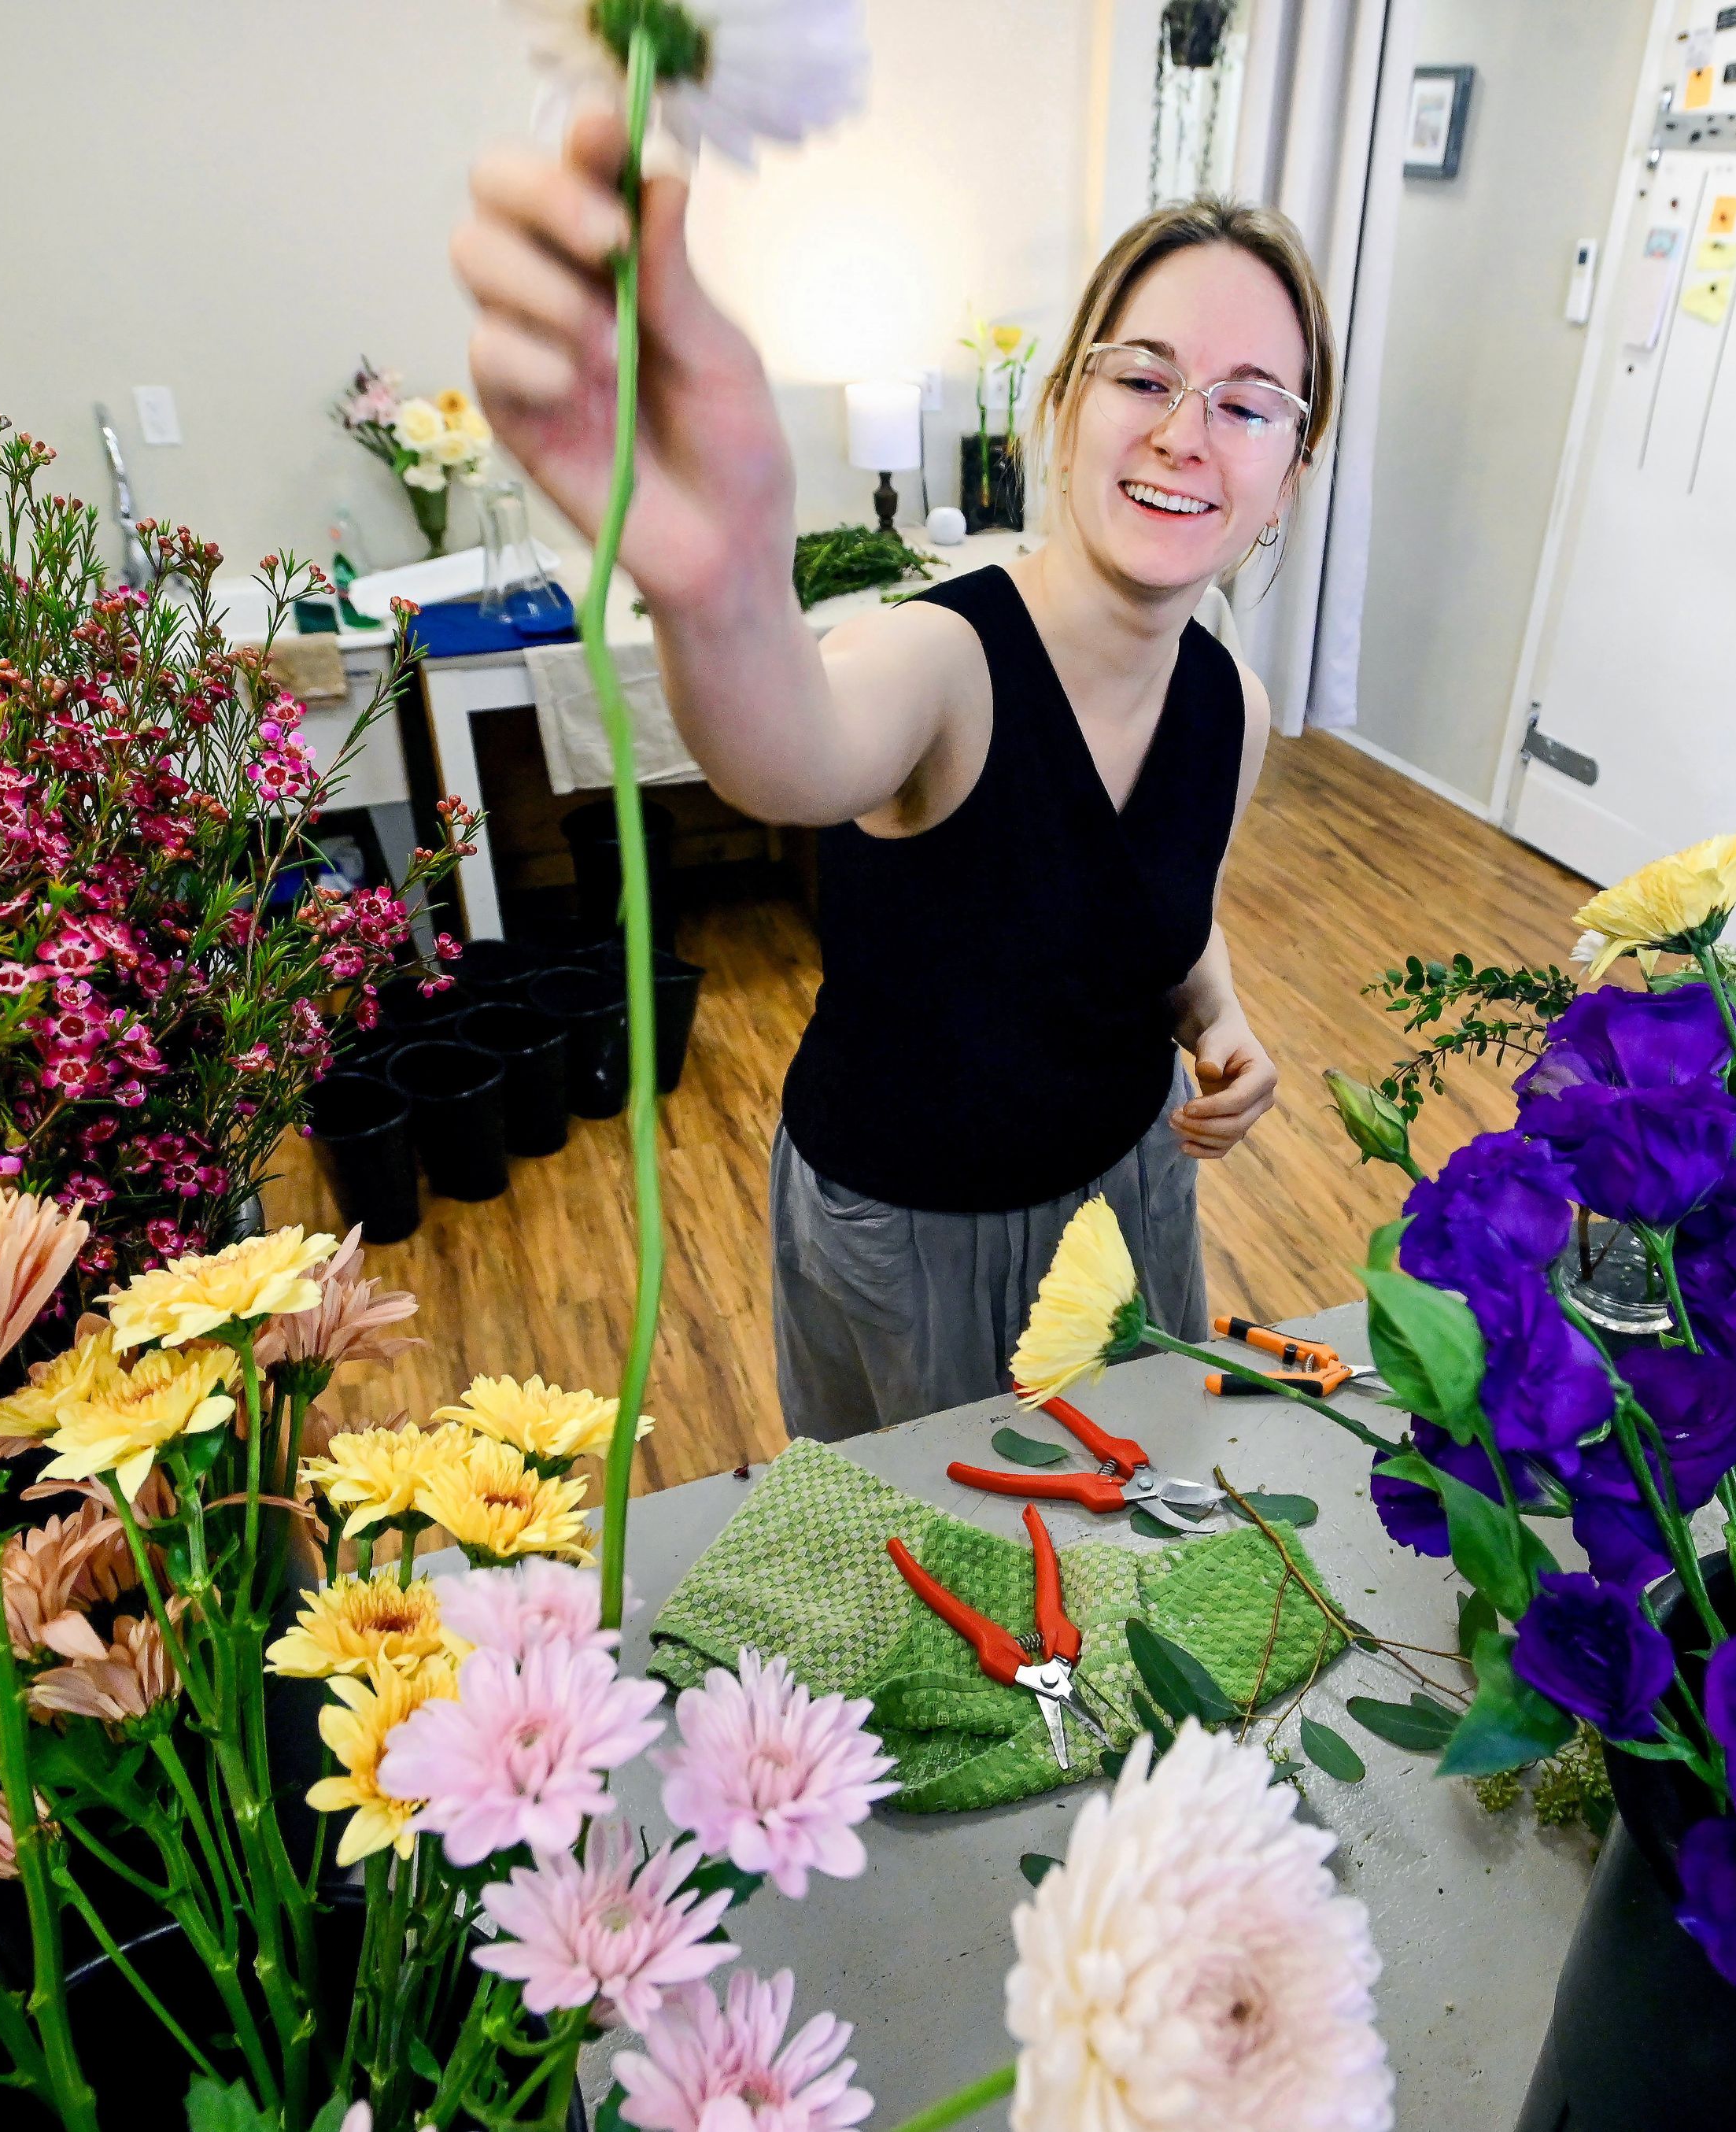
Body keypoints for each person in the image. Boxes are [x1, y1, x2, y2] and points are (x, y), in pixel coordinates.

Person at [452, 109, 1338, 1438]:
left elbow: (1164, 901)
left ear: (1291, 469)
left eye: (1247, 402)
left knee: (1128, 1543)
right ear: (1063, 404)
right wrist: (719, 591)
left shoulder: (1237, 712)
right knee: (947, 1594)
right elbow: (788, 745)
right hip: (919, 1232)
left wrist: (1219, 1018)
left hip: (1135, 1194)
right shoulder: (942, 661)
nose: (1186, 431)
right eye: (1144, 377)